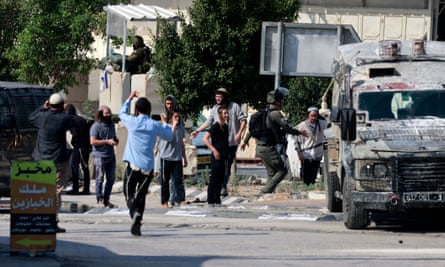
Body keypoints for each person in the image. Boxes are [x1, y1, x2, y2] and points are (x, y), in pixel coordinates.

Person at [119, 91, 172, 236]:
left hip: (133, 165)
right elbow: (169, 136)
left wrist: (129, 98)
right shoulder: (154, 124)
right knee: (141, 195)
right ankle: (139, 220)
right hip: (148, 167)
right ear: (149, 110)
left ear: (137, 110)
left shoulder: (132, 122)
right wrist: (166, 123)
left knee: (129, 194)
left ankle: (134, 214)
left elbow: (121, 113)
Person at [241, 87, 306, 194]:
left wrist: (245, 141)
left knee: (272, 173)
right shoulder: (276, 114)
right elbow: (287, 128)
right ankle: (265, 190)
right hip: (268, 148)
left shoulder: (263, 113)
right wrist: (300, 133)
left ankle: (267, 193)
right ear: (277, 101)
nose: (282, 102)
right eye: (281, 100)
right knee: (282, 171)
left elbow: (251, 131)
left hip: (260, 148)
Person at [28, 92, 74, 233]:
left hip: (41, 158)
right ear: (61, 106)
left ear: (49, 104)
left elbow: (31, 117)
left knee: (40, 189)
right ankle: (53, 220)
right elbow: (72, 118)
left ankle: (39, 219)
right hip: (58, 160)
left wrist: (43, 107)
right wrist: (67, 108)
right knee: (56, 191)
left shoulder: (42, 117)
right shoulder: (63, 118)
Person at [191, 88, 247, 197]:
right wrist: (197, 130)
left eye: (220, 97)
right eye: (216, 97)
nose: (217, 99)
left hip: (231, 142)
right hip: (218, 144)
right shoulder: (215, 108)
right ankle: (217, 188)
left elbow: (243, 120)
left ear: (225, 97)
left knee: (227, 166)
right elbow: (209, 121)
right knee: (218, 167)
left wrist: (240, 133)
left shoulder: (234, 106)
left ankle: (223, 186)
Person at [90, 105, 118, 208]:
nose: (109, 115)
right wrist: (106, 141)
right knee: (100, 178)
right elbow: (92, 141)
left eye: (109, 112)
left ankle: (106, 199)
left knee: (111, 179)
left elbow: (113, 138)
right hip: (100, 156)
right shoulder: (96, 126)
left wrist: (115, 141)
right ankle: (99, 199)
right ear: (101, 114)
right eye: (106, 113)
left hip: (110, 155)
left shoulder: (111, 125)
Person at [158, 111, 188, 208]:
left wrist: (184, 158)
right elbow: (169, 139)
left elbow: (181, 144)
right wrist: (173, 127)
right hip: (166, 158)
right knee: (165, 182)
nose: (177, 119)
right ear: (171, 118)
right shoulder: (165, 127)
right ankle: (164, 202)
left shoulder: (181, 128)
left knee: (179, 181)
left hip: (176, 159)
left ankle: (182, 201)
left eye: (178, 117)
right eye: (175, 117)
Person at [203, 106, 229, 206]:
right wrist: (214, 150)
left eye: (227, 113)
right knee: (214, 178)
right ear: (220, 115)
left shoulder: (226, 127)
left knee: (221, 178)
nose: (226, 115)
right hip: (216, 156)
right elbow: (205, 139)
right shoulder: (215, 126)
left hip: (224, 156)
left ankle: (217, 198)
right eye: (224, 113)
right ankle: (211, 199)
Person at [294, 106, 328, 185]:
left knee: (313, 176)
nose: (313, 118)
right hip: (306, 155)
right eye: (312, 116)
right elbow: (296, 141)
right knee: (306, 177)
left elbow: (330, 127)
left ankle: (311, 185)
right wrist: (299, 153)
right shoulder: (302, 125)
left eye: (315, 116)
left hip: (317, 154)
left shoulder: (322, 123)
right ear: (308, 116)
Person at [65, 104, 91, 195]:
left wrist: (73, 143)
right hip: (86, 146)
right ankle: (86, 188)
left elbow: (75, 134)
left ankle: (75, 188)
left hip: (78, 146)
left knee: (74, 166)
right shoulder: (82, 119)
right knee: (85, 167)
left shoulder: (71, 120)